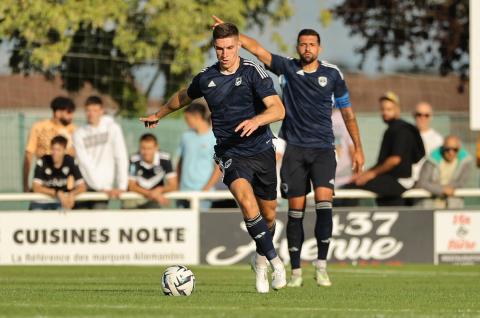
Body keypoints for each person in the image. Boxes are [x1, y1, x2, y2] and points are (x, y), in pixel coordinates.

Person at [212, 15, 364, 288]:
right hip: (293, 148)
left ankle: (321, 266)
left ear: (319, 47)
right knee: (295, 210)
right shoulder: (286, 68)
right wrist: (234, 35)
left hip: (323, 149)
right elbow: (258, 50)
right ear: (297, 47)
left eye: (312, 44)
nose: (307, 48)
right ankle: (295, 272)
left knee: (323, 202)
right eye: (303, 44)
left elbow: (348, 113)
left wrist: (358, 148)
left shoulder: (332, 74)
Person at [141, 22, 287, 293]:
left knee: (268, 217)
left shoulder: (253, 72)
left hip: (262, 150)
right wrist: (158, 114)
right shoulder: (207, 78)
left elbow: (278, 110)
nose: (225, 53)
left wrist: (256, 120)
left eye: (230, 47)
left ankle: (260, 260)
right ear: (214, 48)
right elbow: (183, 96)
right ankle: (277, 262)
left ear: (239, 46)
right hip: (230, 152)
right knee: (246, 200)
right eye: (219, 48)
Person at [346, 91, 424, 206]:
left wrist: (370, 174)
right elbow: (383, 162)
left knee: (351, 189)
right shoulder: (393, 129)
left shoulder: (402, 130)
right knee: (352, 185)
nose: (385, 112)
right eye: (383, 109)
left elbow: (394, 160)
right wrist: (364, 173)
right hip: (390, 179)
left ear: (397, 109)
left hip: (400, 181)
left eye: (389, 109)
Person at [73, 96, 129, 209]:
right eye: (88, 110)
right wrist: (100, 186)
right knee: (79, 222)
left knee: (99, 222)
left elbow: (121, 156)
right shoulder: (78, 134)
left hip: (105, 189)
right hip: (84, 187)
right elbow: (85, 163)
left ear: (102, 111)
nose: (91, 114)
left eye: (95, 110)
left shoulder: (113, 128)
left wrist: (122, 185)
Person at [23, 96, 76, 192]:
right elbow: (29, 156)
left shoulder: (73, 130)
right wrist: (25, 184)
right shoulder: (39, 127)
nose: (71, 116)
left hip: (66, 188)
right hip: (42, 186)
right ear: (58, 112)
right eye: (68, 112)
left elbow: (75, 156)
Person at [176, 102, 221, 209]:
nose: (186, 121)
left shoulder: (214, 138)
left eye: (187, 118)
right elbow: (179, 163)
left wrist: (206, 190)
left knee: (202, 225)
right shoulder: (185, 136)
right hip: (183, 192)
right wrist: (178, 186)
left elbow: (218, 168)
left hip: (203, 195)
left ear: (196, 116)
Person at [31, 135, 86, 210]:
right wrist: (56, 193)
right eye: (53, 149)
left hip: (61, 202)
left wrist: (72, 194)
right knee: (37, 214)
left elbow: (82, 187)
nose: (55, 153)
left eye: (58, 150)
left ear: (64, 151)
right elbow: (36, 187)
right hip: (42, 202)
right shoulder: (43, 161)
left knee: (66, 213)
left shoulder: (71, 161)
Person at [416, 136, 472, 208]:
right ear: (443, 148)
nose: (451, 152)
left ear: (459, 149)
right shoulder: (431, 161)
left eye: (455, 149)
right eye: (447, 149)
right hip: (429, 205)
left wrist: (450, 189)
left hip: (453, 205)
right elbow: (421, 182)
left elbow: (462, 182)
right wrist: (442, 190)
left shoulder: (465, 162)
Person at [128, 133, 177, 208]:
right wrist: (152, 194)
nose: (146, 152)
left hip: (155, 201)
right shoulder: (134, 160)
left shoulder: (165, 159)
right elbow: (131, 186)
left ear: (156, 147)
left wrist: (159, 190)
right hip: (136, 198)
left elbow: (173, 185)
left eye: (149, 148)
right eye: (143, 148)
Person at [411, 102, 444, 182]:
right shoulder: (405, 135)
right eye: (419, 114)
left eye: (426, 115)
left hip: (429, 184)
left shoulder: (438, 139)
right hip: (408, 183)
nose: (423, 118)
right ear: (414, 116)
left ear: (431, 117)